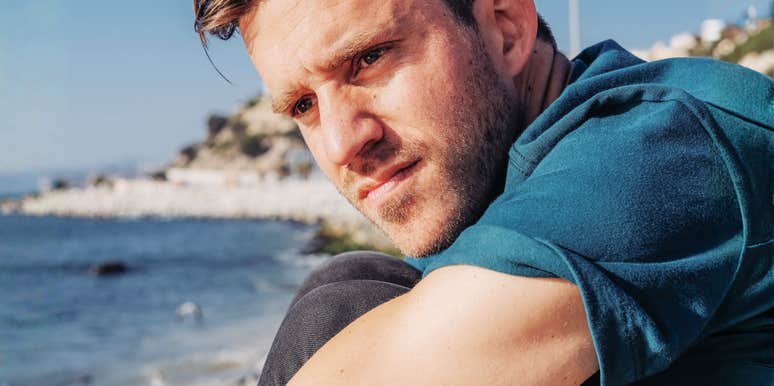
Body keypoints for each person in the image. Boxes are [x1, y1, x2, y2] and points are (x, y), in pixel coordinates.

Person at [193, 0, 774, 384]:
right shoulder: (506, 182)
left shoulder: (661, 149)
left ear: (505, 27)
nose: (343, 143)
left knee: (334, 318)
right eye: (303, 106)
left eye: (368, 59)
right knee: (347, 284)